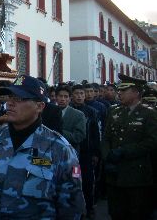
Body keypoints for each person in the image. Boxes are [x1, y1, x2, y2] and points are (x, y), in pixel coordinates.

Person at [0, 75, 85, 219]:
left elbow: (72, 206)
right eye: (9, 98)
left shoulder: (59, 148)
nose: (10, 103)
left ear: (40, 106)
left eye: (19, 99)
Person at [102, 74, 157, 220]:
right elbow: (106, 138)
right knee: (116, 213)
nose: (119, 93)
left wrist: (125, 151)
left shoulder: (149, 114)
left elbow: (151, 141)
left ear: (136, 92)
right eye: (119, 90)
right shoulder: (114, 111)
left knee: (137, 213)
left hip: (136, 175)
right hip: (114, 175)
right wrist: (107, 156)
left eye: (124, 90)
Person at [70, 83, 100, 218]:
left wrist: (95, 153)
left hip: (86, 154)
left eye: (81, 94)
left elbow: (95, 134)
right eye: (76, 94)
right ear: (72, 96)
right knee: (75, 179)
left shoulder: (91, 112)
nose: (80, 96)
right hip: (73, 154)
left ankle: (89, 207)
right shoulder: (68, 111)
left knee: (88, 181)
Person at [55, 85, 86, 154]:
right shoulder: (49, 111)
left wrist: (60, 132)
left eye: (66, 96)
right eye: (60, 96)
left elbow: (79, 136)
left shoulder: (78, 115)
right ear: (56, 97)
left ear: (70, 98)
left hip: (70, 153)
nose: (62, 99)